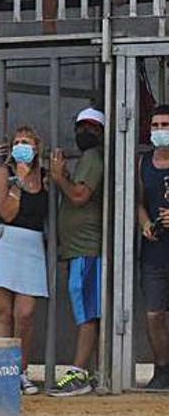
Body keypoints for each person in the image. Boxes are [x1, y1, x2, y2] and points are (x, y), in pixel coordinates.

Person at [0, 125, 50, 395]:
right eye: (17, 142)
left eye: (27, 142)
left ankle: (21, 370)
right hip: (6, 241)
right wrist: (19, 184)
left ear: (36, 147)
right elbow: (6, 212)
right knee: (3, 314)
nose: (21, 146)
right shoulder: (5, 173)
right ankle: (3, 371)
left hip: (32, 245)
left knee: (25, 313)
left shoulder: (44, 176)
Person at [48, 107, 106, 397]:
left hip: (86, 248)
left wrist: (59, 177)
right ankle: (91, 371)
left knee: (86, 312)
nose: (84, 132)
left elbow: (80, 196)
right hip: (78, 249)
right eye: (81, 126)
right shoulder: (88, 159)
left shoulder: (93, 157)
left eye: (92, 127)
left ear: (102, 132)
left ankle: (79, 373)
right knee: (88, 309)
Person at [136, 105, 169, 390]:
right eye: (156, 125)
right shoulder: (143, 162)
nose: (160, 130)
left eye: (165, 125)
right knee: (154, 313)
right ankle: (162, 370)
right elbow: (137, 201)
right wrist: (145, 222)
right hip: (155, 250)